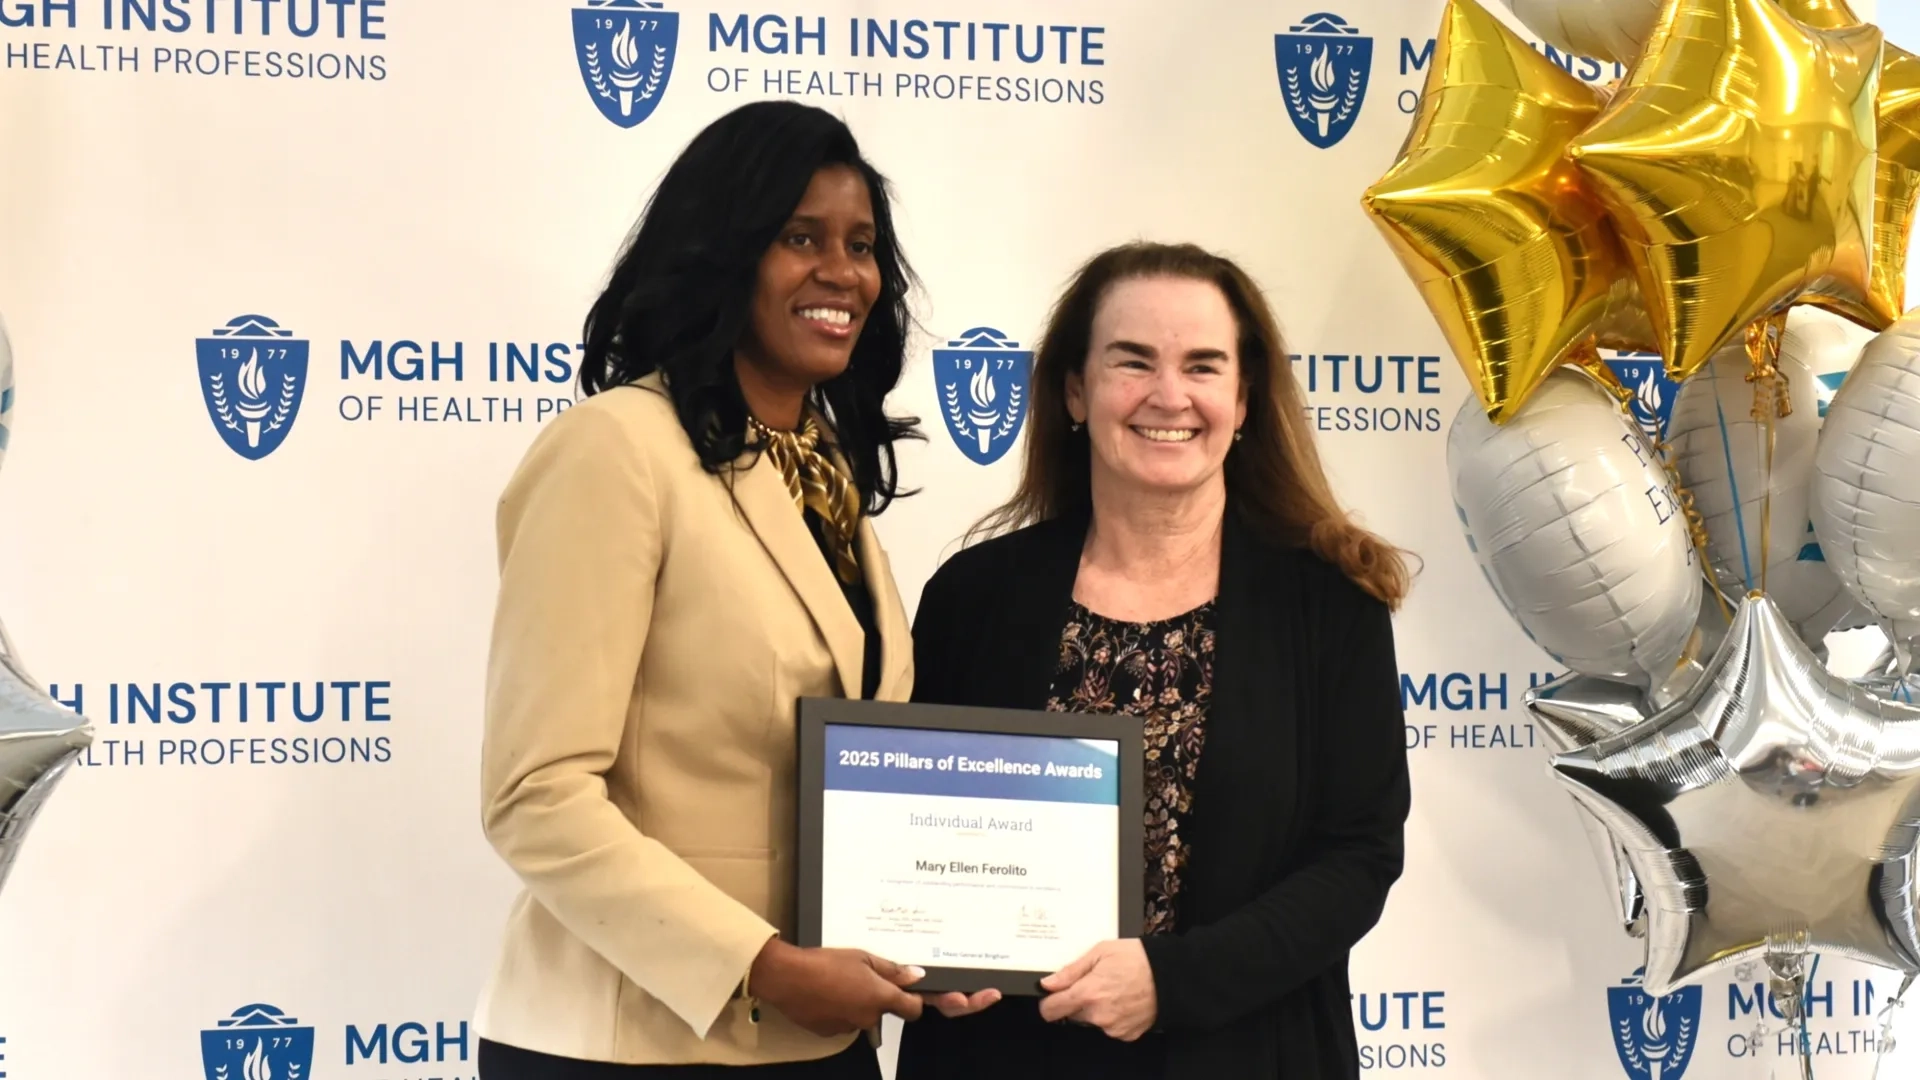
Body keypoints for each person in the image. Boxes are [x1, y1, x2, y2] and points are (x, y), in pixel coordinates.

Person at [472, 101, 931, 1079]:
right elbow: (536, 794)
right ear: (724, 250)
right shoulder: (614, 450)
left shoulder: (823, 475)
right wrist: (760, 965)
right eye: (799, 237)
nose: (843, 273)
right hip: (627, 1042)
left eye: (861, 244)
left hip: (817, 1040)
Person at [895, 242, 1416, 1079]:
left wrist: (1171, 984)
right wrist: (926, 954)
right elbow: (912, 827)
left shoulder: (1329, 604)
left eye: (1203, 366)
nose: (1168, 396)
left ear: (1244, 399)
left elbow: (1358, 856)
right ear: (1075, 389)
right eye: (1132, 362)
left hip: (1248, 1051)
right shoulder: (975, 595)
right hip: (1002, 1054)